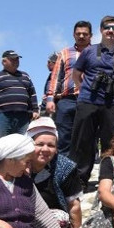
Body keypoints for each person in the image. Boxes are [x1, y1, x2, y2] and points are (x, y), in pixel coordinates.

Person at [70, 15, 114, 185]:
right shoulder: (89, 51)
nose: (111, 31)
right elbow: (76, 74)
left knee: (110, 143)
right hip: (88, 101)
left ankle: (108, 179)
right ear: (101, 30)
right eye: (107, 27)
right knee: (82, 142)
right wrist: (85, 88)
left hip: (111, 104)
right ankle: (79, 181)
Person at [26, 118, 83, 228]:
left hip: (49, 218)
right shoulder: (16, 164)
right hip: (20, 214)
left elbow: (74, 205)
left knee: (60, 219)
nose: (45, 149)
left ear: (56, 149)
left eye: (51, 145)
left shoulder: (66, 167)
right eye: (40, 144)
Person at [45, 21, 92, 154]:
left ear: (91, 36)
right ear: (73, 35)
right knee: (63, 138)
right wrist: (50, 99)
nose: (81, 36)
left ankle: (83, 173)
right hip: (67, 100)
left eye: (85, 34)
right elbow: (56, 77)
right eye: (78, 34)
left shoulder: (97, 53)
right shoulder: (64, 53)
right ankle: (62, 171)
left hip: (89, 100)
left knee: (86, 137)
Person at [0, 51, 39, 137]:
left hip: (23, 117)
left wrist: (35, 110)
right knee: (1, 143)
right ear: (4, 62)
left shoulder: (25, 76)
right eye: (13, 60)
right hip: (2, 116)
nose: (16, 62)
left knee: (23, 144)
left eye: (17, 59)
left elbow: (32, 94)